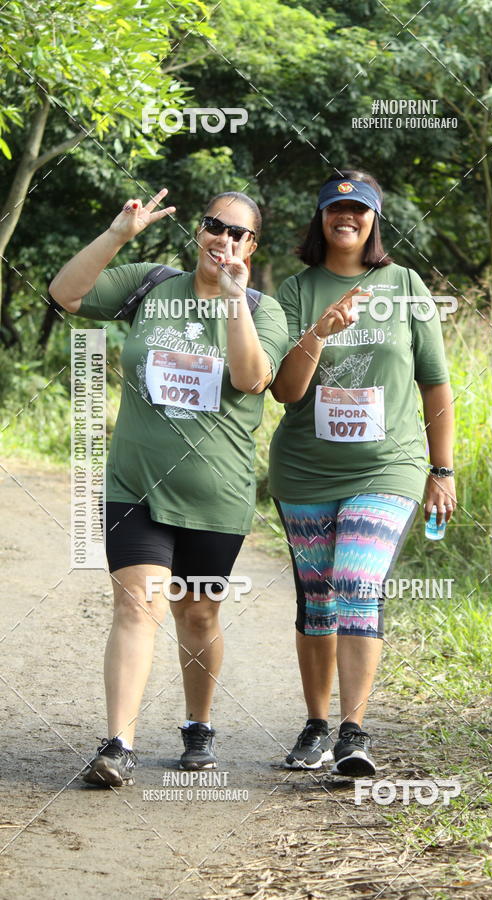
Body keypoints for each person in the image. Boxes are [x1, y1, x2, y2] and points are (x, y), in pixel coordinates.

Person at [50, 188, 288, 787]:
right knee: (138, 604)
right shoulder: (149, 285)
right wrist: (117, 236)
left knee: (199, 615)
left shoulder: (265, 310)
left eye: (238, 234)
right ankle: (117, 744)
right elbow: (66, 294)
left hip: (217, 497)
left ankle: (197, 726)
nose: (223, 240)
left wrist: (233, 299)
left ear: (252, 246)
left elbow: (251, 376)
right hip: (135, 486)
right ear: (199, 230)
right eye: (215, 226)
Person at [268, 170, 456, 777]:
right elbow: (287, 393)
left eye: (359, 209)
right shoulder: (295, 292)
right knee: (316, 601)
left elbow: (436, 383)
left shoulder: (404, 284)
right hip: (305, 470)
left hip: (388, 466)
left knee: (356, 582)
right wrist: (319, 332)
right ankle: (316, 725)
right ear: (320, 218)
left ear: (375, 219)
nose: (345, 217)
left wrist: (442, 469)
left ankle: (354, 732)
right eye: (334, 208)